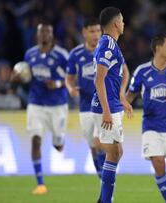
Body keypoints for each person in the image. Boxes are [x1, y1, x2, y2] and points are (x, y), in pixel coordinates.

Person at [126, 34, 166, 203]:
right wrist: (123, 106)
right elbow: (130, 95)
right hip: (151, 126)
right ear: (158, 48)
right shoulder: (142, 71)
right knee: (159, 163)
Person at [15, 23, 69, 195]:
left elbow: (71, 77)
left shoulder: (62, 55)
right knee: (35, 139)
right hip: (36, 103)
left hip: (58, 105)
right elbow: (26, 75)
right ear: (37, 35)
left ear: (52, 35)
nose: (44, 35)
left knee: (58, 144)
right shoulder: (30, 54)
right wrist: (17, 77)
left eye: (47, 32)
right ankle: (40, 183)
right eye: (41, 32)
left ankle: (59, 141)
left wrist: (58, 83)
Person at [91, 7, 132, 203]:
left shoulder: (112, 45)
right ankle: (106, 200)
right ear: (116, 23)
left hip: (114, 105)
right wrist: (106, 111)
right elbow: (99, 80)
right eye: (122, 20)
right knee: (113, 153)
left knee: (117, 152)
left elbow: (123, 72)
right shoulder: (107, 46)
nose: (124, 24)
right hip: (105, 107)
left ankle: (103, 198)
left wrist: (122, 97)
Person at [65, 17, 105, 178]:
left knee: (98, 141)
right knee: (93, 146)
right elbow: (68, 78)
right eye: (92, 31)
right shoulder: (76, 54)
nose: (96, 35)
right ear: (84, 33)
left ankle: (105, 179)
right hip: (85, 106)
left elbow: (124, 71)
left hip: (103, 105)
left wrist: (121, 91)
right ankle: (101, 174)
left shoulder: (107, 52)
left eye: (98, 31)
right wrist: (70, 88)